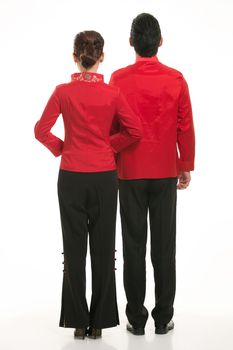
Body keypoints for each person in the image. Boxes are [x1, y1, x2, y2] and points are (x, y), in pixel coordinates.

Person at [34, 30, 142, 340]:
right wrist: (110, 146)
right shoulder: (113, 93)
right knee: (104, 248)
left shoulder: (62, 92)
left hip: (70, 177)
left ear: (75, 57)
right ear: (102, 57)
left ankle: (78, 321)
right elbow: (134, 131)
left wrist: (62, 148)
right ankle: (101, 322)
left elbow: (41, 130)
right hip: (104, 177)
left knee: (74, 248)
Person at [109, 13, 195, 335]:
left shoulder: (118, 79)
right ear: (160, 41)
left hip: (129, 171)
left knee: (133, 246)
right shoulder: (176, 79)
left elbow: (113, 125)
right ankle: (163, 318)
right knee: (164, 248)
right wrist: (184, 164)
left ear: (131, 41)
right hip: (163, 172)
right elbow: (184, 125)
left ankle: (135, 318)